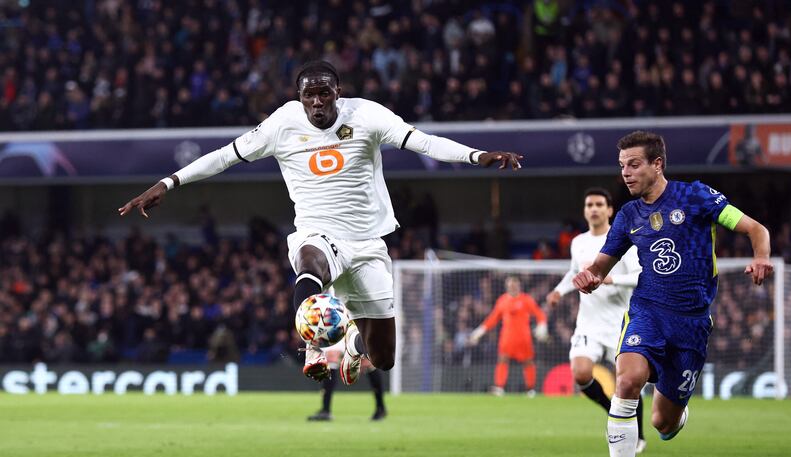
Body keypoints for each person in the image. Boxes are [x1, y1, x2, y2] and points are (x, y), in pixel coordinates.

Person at [118, 60, 523, 384]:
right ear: (299, 96)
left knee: (383, 359)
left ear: (337, 93)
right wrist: (169, 182)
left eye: (323, 92)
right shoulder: (282, 123)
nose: (316, 101)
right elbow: (225, 156)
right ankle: (313, 347)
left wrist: (476, 155)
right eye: (308, 94)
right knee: (309, 260)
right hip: (318, 232)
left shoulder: (366, 114)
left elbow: (424, 142)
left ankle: (352, 345)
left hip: (368, 242)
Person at [572, 131, 772, 457]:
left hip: (692, 323)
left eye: (633, 165)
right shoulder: (629, 216)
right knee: (627, 379)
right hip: (647, 310)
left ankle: (676, 411)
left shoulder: (696, 197)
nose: (626, 174)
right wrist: (590, 276)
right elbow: (602, 263)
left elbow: (755, 229)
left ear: (657, 164)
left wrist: (761, 256)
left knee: (664, 423)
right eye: (622, 166)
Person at [546, 188, 646, 453]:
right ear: (584, 210)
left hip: (620, 322)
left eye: (599, 204)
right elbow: (573, 273)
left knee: (628, 382)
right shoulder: (578, 242)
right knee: (580, 374)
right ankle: (609, 409)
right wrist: (559, 290)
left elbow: (640, 277)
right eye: (589, 204)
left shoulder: (625, 240)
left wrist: (612, 278)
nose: (594, 209)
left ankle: (639, 435)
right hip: (588, 323)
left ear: (609, 210)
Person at [468, 276, 547, 396]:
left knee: (528, 362)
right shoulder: (502, 300)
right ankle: (499, 387)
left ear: (519, 286)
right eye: (510, 285)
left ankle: (530, 389)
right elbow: (492, 319)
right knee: (502, 359)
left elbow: (539, 313)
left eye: (515, 285)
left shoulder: (526, 299)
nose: (513, 287)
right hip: (507, 338)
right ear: (507, 286)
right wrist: (480, 331)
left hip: (523, 338)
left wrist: (542, 325)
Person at [307, 337, 387, 422]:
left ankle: (380, 407)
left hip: (353, 328)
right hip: (338, 330)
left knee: (367, 363)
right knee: (331, 361)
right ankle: (325, 410)